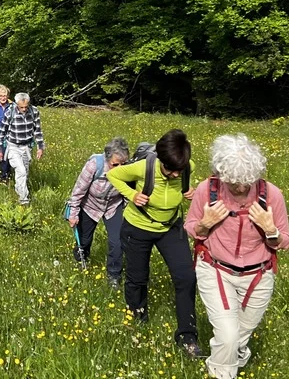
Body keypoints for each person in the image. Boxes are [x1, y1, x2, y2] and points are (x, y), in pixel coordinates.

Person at [185, 135, 289, 379]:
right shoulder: (207, 190)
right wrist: (205, 223)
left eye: (246, 182)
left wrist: (270, 230)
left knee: (238, 339)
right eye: (233, 183)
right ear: (220, 174)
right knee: (228, 336)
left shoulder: (272, 195)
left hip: (258, 276)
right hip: (216, 269)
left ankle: (233, 355)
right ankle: (222, 373)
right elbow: (191, 228)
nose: (241, 189)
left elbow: (284, 241)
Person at [105, 129, 201, 358]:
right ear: (161, 160)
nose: (176, 175)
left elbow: (184, 185)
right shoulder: (143, 167)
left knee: (186, 277)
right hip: (138, 227)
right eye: (171, 170)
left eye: (180, 170)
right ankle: (138, 319)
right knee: (137, 278)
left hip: (170, 227)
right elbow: (113, 176)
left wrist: (189, 191)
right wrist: (132, 195)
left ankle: (187, 336)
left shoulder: (187, 167)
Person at [66, 137, 130, 288]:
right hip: (90, 206)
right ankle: (81, 261)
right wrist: (73, 214)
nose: (120, 168)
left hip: (113, 207)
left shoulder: (127, 169)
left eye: (123, 164)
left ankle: (114, 275)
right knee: (84, 240)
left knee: (117, 241)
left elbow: (129, 191)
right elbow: (78, 191)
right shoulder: (95, 165)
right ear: (107, 158)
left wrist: (127, 209)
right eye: (115, 164)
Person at [0, 92, 45, 205]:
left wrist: (40, 147)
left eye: (26, 107)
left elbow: (38, 130)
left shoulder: (34, 111)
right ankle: (24, 200)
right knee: (21, 171)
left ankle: (19, 190)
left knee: (25, 173)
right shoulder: (10, 112)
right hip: (13, 147)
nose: (24, 109)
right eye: (21, 107)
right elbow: (1, 132)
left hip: (26, 147)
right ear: (17, 104)